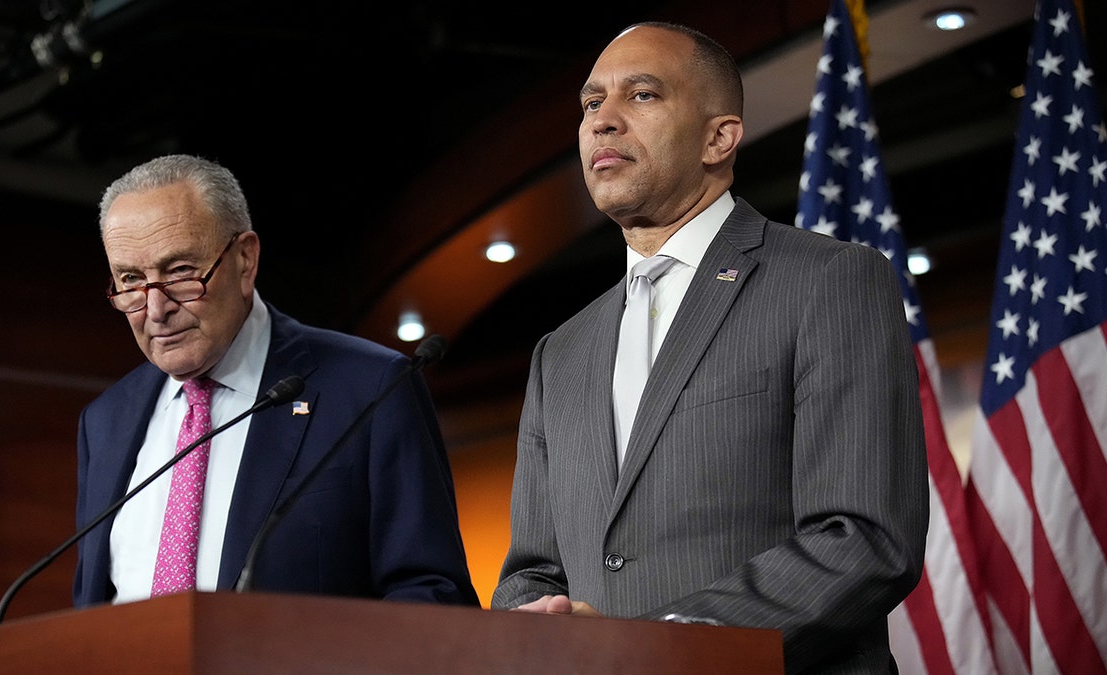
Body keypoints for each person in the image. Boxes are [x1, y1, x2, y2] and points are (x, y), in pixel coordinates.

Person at [492, 21, 928, 674]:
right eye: (590, 103)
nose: (602, 121)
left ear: (719, 137)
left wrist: (654, 646)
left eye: (640, 95)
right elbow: (532, 570)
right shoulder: (560, 351)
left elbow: (862, 537)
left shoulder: (827, 279)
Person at [73, 154, 479, 608]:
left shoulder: (372, 390)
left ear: (246, 260)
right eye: (131, 280)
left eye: (181, 272)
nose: (155, 309)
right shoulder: (104, 422)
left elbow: (433, 596)